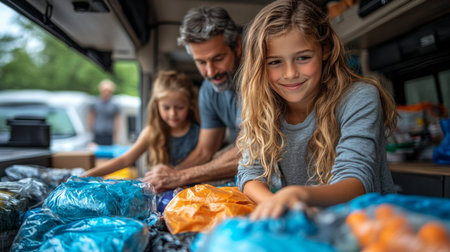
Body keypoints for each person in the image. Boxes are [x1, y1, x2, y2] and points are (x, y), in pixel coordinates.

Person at [236, 0, 398, 220]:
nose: (291, 73)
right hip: (310, 230)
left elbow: (356, 180)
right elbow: (249, 172)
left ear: (325, 50)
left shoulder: (359, 97)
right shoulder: (262, 106)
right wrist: (279, 203)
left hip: (368, 228)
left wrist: (296, 195)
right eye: (274, 62)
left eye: (303, 58)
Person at [142, 6, 242, 193]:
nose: (211, 72)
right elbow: (204, 151)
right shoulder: (208, 90)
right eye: (201, 62)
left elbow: (250, 153)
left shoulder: (257, 81)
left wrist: (178, 177)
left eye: (218, 58)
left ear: (237, 46)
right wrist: (168, 176)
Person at [81, 70, 200, 178]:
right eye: (166, 107)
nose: (173, 113)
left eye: (179, 107)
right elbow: (125, 160)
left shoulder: (200, 133)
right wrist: (87, 175)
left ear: (190, 105)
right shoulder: (152, 132)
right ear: (156, 106)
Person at [87, 79, 120, 146]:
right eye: (105, 91)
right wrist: (90, 133)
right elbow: (91, 118)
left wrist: (116, 136)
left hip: (109, 134)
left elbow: (117, 121)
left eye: (108, 91)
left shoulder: (114, 105)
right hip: (98, 134)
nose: (106, 93)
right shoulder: (95, 103)